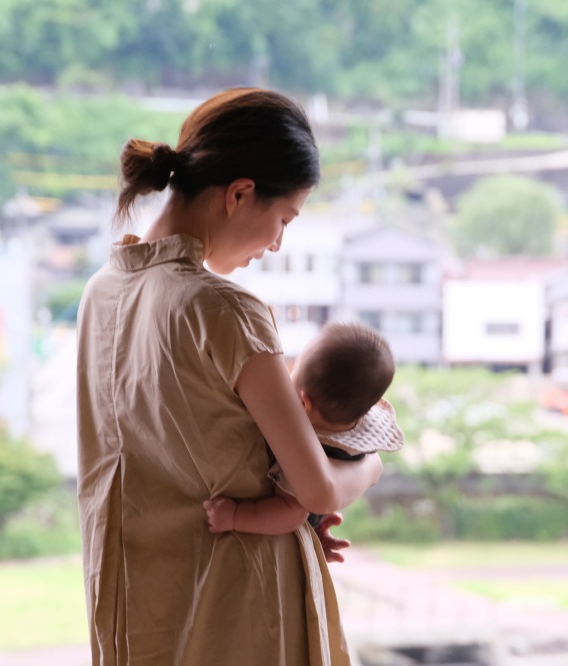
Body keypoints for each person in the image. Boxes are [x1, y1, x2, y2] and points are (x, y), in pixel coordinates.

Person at [76, 88, 383, 666]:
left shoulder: (102, 291)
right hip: (237, 604)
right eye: (283, 219)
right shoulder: (225, 310)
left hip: (136, 600)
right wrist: (369, 467)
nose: (277, 243)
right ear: (240, 194)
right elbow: (317, 486)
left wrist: (285, 511)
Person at [204, 322, 404, 544]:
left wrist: (235, 516)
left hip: (293, 514)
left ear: (303, 403)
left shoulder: (309, 453)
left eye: (293, 373)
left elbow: (292, 513)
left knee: (291, 506)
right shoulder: (355, 430)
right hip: (323, 504)